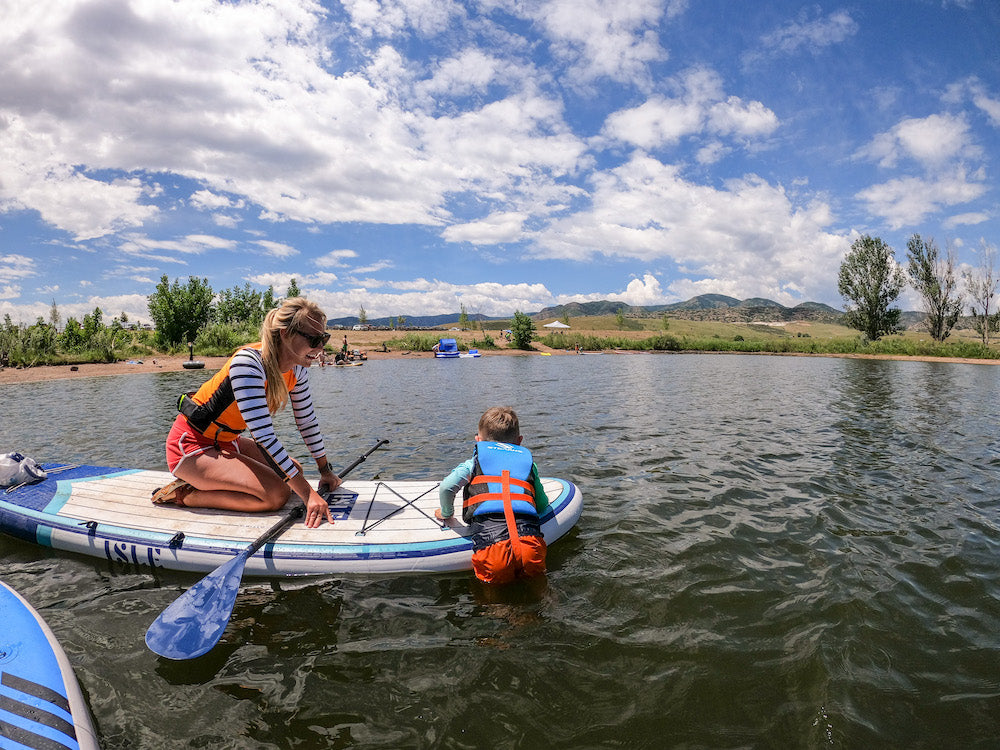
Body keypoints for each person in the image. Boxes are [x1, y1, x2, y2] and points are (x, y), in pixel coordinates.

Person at [151, 297, 342, 529]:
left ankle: (210, 480)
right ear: (285, 334)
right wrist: (309, 494)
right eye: (314, 339)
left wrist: (325, 471)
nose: (321, 347)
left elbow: (307, 423)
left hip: (226, 442)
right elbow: (264, 437)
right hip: (191, 446)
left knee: (296, 472)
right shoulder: (249, 364)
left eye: (324, 338)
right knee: (276, 495)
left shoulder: (298, 370)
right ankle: (185, 494)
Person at [435, 406, 549, 584]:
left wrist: (446, 513)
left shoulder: (473, 463)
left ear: (478, 440)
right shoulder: (529, 466)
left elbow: (447, 487)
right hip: (530, 543)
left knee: (494, 603)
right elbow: (542, 505)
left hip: (492, 547)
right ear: (520, 441)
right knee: (537, 587)